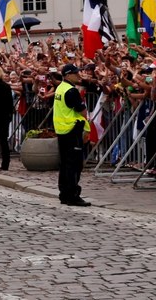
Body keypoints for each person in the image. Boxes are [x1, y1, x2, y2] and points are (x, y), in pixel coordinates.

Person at [53, 63, 91, 206]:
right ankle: (73, 195)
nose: (78, 75)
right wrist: (86, 128)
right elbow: (82, 111)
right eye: (76, 73)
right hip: (72, 130)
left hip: (62, 130)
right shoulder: (70, 91)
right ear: (68, 75)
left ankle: (64, 194)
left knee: (64, 164)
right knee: (74, 165)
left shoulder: (60, 88)